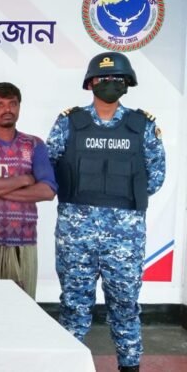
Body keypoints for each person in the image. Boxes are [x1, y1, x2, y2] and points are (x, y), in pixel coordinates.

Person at [47, 52, 166, 372]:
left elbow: (154, 177)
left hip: (124, 237)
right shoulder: (69, 122)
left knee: (125, 306)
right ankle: (69, 366)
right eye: (103, 78)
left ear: (127, 83)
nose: (110, 83)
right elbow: (50, 168)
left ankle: (129, 366)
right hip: (76, 235)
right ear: (90, 83)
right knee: (73, 307)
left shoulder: (142, 126)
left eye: (117, 78)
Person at [0, 82, 57, 298]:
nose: (7, 109)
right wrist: (25, 179)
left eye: (12, 104)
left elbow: (48, 191)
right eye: (0, 105)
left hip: (23, 243)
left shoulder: (34, 144)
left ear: (19, 107)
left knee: (21, 308)